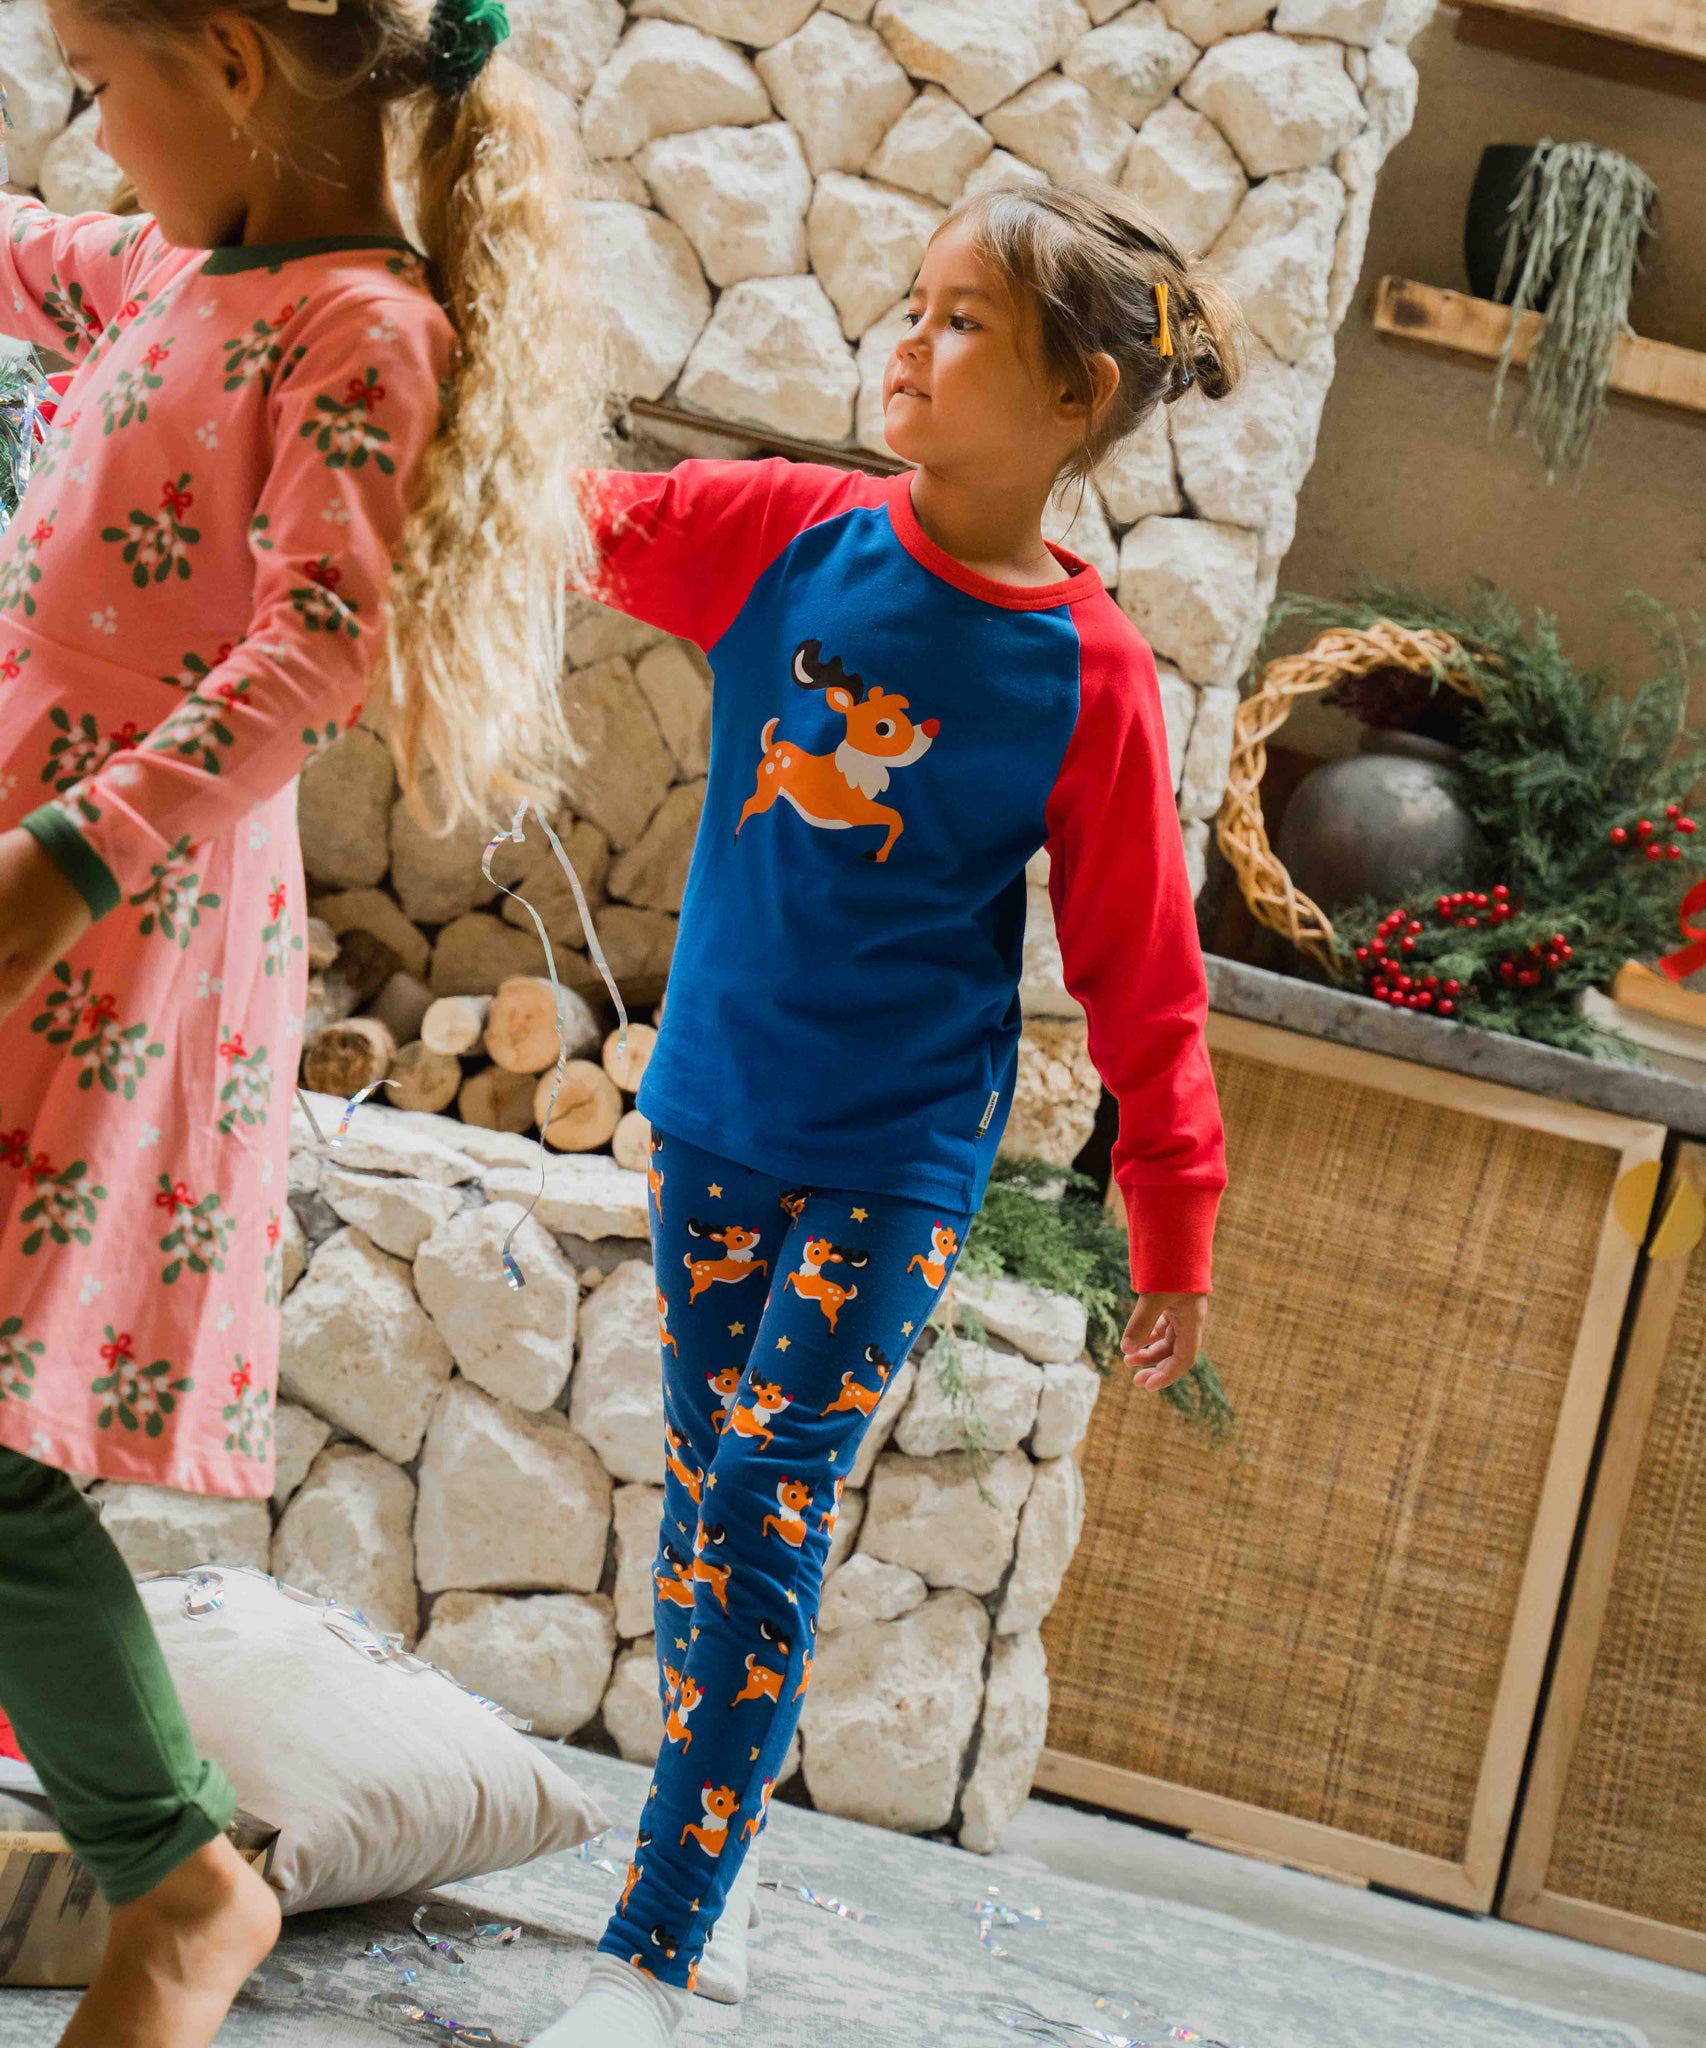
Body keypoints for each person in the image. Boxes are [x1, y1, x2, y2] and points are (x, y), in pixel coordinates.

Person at [535, 182, 1244, 2047]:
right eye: (908, 308)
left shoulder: (1085, 676)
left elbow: (1139, 976)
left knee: (764, 1500)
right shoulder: (783, 536)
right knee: (706, 1496)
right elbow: (552, 521)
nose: (903, 344)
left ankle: (657, 1935)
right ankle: (715, 1868)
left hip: (895, 1157)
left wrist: (1171, 1214)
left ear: (1072, 399)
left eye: (958, 325)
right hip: (710, 1116)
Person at [0, 4, 596, 2044]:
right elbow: (15, 248)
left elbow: (313, 651)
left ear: (233, 63)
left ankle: (176, 1884)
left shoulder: (361, 325)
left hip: (99, 928)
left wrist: (65, 861)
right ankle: (170, 1870)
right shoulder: (170, 263)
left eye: (101, 80)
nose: (90, 126)